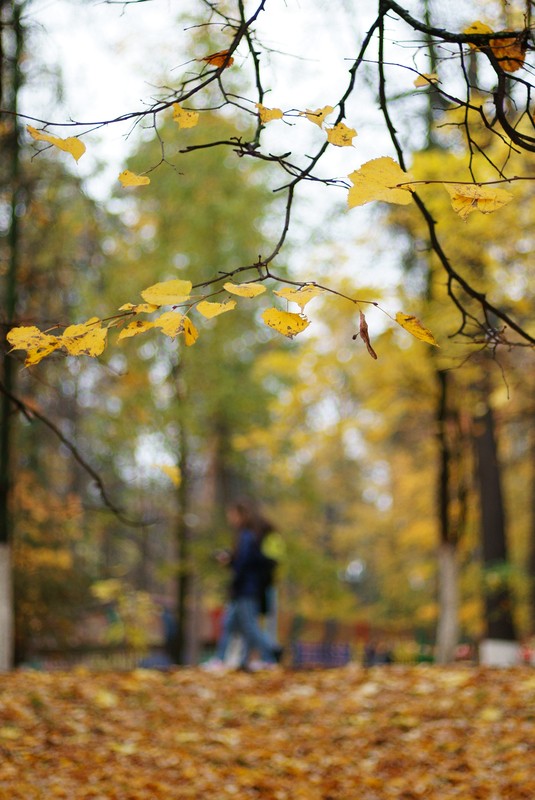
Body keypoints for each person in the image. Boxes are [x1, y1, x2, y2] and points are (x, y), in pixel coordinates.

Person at [204, 500, 280, 672]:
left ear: (241, 515)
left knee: (248, 626)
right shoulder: (249, 535)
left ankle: (271, 654)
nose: (230, 519)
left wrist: (230, 561)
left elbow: (244, 564)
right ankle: (225, 659)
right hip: (245, 588)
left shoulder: (247, 536)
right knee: (230, 624)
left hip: (246, 589)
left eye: (232, 515)